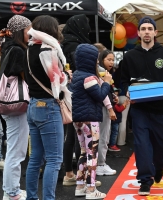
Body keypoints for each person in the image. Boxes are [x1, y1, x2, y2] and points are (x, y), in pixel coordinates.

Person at [121, 16, 163, 196]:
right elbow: (121, 79)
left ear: (155, 32)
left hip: (160, 110)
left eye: (149, 28)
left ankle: (160, 164)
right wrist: (126, 91)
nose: (146, 31)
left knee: (159, 146)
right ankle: (145, 180)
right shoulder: (130, 56)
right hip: (139, 110)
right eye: (143, 28)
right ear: (138, 33)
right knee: (141, 145)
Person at [25, 15, 72, 200]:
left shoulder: (28, 49)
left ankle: (31, 197)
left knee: (36, 158)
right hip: (48, 106)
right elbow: (57, 82)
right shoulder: (48, 49)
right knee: (54, 159)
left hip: (34, 104)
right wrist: (66, 75)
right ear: (52, 30)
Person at [0, 15, 31, 200]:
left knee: (13, 149)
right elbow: (25, 77)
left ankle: (10, 189)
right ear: (20, 31)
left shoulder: (7, 46)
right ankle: (12, 193)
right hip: (16, 105)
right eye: (28, 30)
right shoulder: (17, 50)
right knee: (16, 151)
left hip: (8, 105)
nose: (30, 33)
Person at [72, 43, 111, 199]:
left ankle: (80, 185)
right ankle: (91, 188)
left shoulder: (76, 75)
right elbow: (100, 95)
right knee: (92, 153)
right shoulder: (89, 77)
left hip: (79, 120)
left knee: (83, 152)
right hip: (90, 119)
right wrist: (107, 82)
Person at [61, 14, 91, 186]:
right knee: (80, 135)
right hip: (79, 94)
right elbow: (82, 69)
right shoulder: (76, 46)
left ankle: (69, 174)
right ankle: (82, 176)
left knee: (70, 136)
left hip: (66, 93)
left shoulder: (63, 43)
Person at [96, 49, 117, 176]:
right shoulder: (102, 73)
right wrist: (110, 108)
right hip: (102, 109)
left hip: (99, 108)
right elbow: (102, 93)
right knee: (103, 137)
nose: (111, 62)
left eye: (113, 60)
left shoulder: (104, 73)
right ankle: (101, 164)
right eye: (108, 59)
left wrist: (112, 95)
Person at [108, 87, 130, 151]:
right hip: (115, 120)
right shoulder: (113, 103)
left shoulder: (113, 102)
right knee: (114, 132)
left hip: (114, 120)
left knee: (112, 132)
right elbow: (119, 109)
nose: (117, 95)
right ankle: (112, 145)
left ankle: (111, 144)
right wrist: (124, 104)